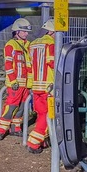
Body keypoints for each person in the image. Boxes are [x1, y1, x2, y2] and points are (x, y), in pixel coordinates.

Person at [0, 18, 32, 140]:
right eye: (24, 31)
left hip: (26, 83)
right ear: (17, 32)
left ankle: (16, 128)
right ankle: (1, 130)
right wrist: (13, 80)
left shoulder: (28, 44)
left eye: (27, 32)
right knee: (11, 106)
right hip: (16, 83)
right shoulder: (11, 45)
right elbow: (8, 65)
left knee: (22, 107)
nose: (26, 33)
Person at [26, 19, 56, 154]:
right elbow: (53, 63)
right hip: (48, 86)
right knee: (48, 114)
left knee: (40, 114)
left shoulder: (32, 44)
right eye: (57, 33)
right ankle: (33, 142)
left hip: (36, 85)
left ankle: (43, 140)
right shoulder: (51, 43)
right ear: (51, 32)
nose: (58, 36)